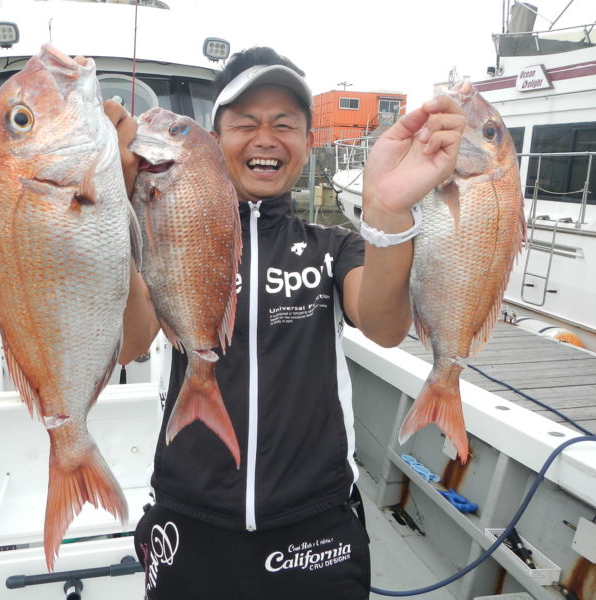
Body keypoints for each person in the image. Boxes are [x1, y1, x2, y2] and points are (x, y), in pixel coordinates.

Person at [107, 46, 465, 600]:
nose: (265, 138)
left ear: (307, 142)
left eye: (285, 124)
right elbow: (132, 343)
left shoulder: (330, 247)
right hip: (190, 517)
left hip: (316, 527)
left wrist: (389, 212)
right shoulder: (170, 232)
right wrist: (115, 207)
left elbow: (385, 325)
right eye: (245, 123)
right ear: (214, 138)